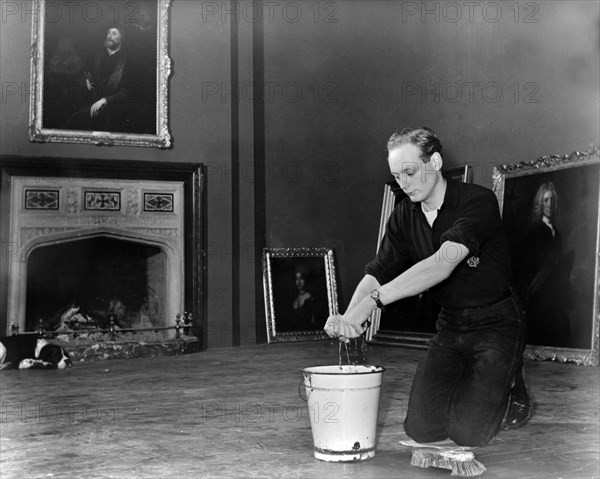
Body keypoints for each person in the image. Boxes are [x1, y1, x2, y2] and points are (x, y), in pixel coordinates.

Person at [325, 127, 531, 446]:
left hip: (497, 324)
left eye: (410, 172)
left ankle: (512, 379)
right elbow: (378, 272)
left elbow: (441, 263)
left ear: (434, 162)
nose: (404, 184)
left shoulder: (478, 202)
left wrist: (373, 303)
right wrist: (348, 318)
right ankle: (474, 382)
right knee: (422, 429)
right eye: (397, 177)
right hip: (450, 325)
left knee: (468, 434)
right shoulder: (403, 216)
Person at [515, 182, 573, 347]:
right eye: (546, 200)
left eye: (552, 200)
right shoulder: (534, 233)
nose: (549, 204)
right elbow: (524, 269)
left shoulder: (557, 234)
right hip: (538, 301)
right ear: (539, 203)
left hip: (554, 298)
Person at [66, 27, 138, 132]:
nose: (109, 36)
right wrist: (85, 81)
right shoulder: (96, 54)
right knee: (74, 122)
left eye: (114, 34)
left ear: (122, 38)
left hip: (114, 107)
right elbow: (81, 73)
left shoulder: (128, 60)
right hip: (90, 101)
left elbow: (129, 90)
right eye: (108, 33)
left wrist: (105, 101)